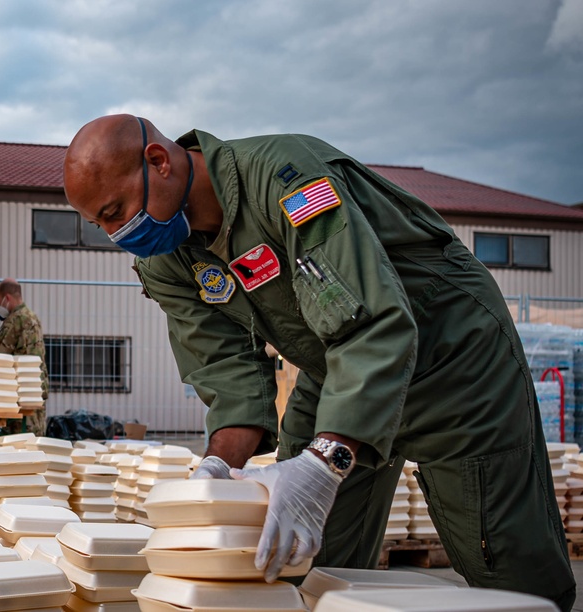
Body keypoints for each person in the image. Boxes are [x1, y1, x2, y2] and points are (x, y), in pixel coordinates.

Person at [63, 115, 575, 610]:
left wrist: (326, 460)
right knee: (306, 559)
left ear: (159, 162)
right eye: (99, 223)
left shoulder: (285, 178)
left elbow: (369, 320)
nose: (116, 233)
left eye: (115, 212)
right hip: (335, 364)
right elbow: (225, 370)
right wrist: (218, 469)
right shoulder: (167, 259)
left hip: (453, 352)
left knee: (504, 564)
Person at [0, 278, 48, 436]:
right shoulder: (32, 317)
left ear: (6, 298)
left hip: (20, 393)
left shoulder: (15, 320)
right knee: (34, 441)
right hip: (36, 390)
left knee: (16, 444)